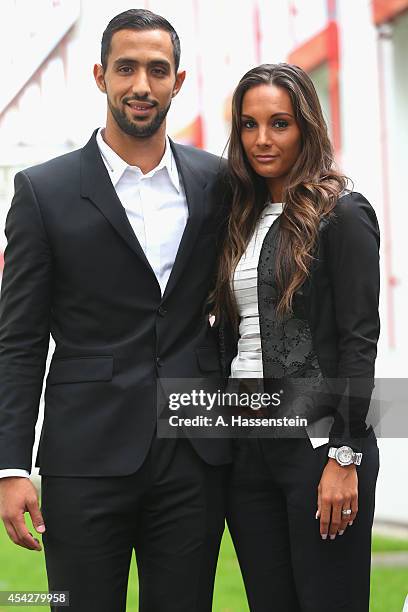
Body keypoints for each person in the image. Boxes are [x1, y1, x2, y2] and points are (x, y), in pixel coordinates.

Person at [0, 9, 230, 612]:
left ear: (178, 82)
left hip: (194, 455)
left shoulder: (218, 183)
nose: (142, 86)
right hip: (84, 458)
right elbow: (19, 339)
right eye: (126, 68)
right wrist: (9, 466)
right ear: (100, 76)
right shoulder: (42, 192)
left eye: (158, 70)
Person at [211, 63, 380, 611]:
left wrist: (345, 455)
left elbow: (359, 339)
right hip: (248, 443)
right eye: (249, 124)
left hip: (318, 446)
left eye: (279, 123)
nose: (262, 139)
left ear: (306, 126)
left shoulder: (342, 213)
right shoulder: (240, 217)